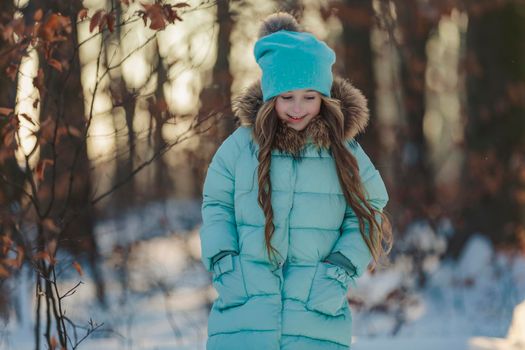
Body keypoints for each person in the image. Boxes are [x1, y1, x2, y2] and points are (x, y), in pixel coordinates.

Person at [199, 12, 392, 350]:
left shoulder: (343, 151)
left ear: (325, 97)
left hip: (315, 309)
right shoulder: (239, 148)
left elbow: (370, 208)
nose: (298, 108)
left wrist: (339, 271)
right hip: (246, 307)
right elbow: (216, 205)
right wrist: (224, 263)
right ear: (271, 97)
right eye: (286, 97)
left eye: (309, 96)